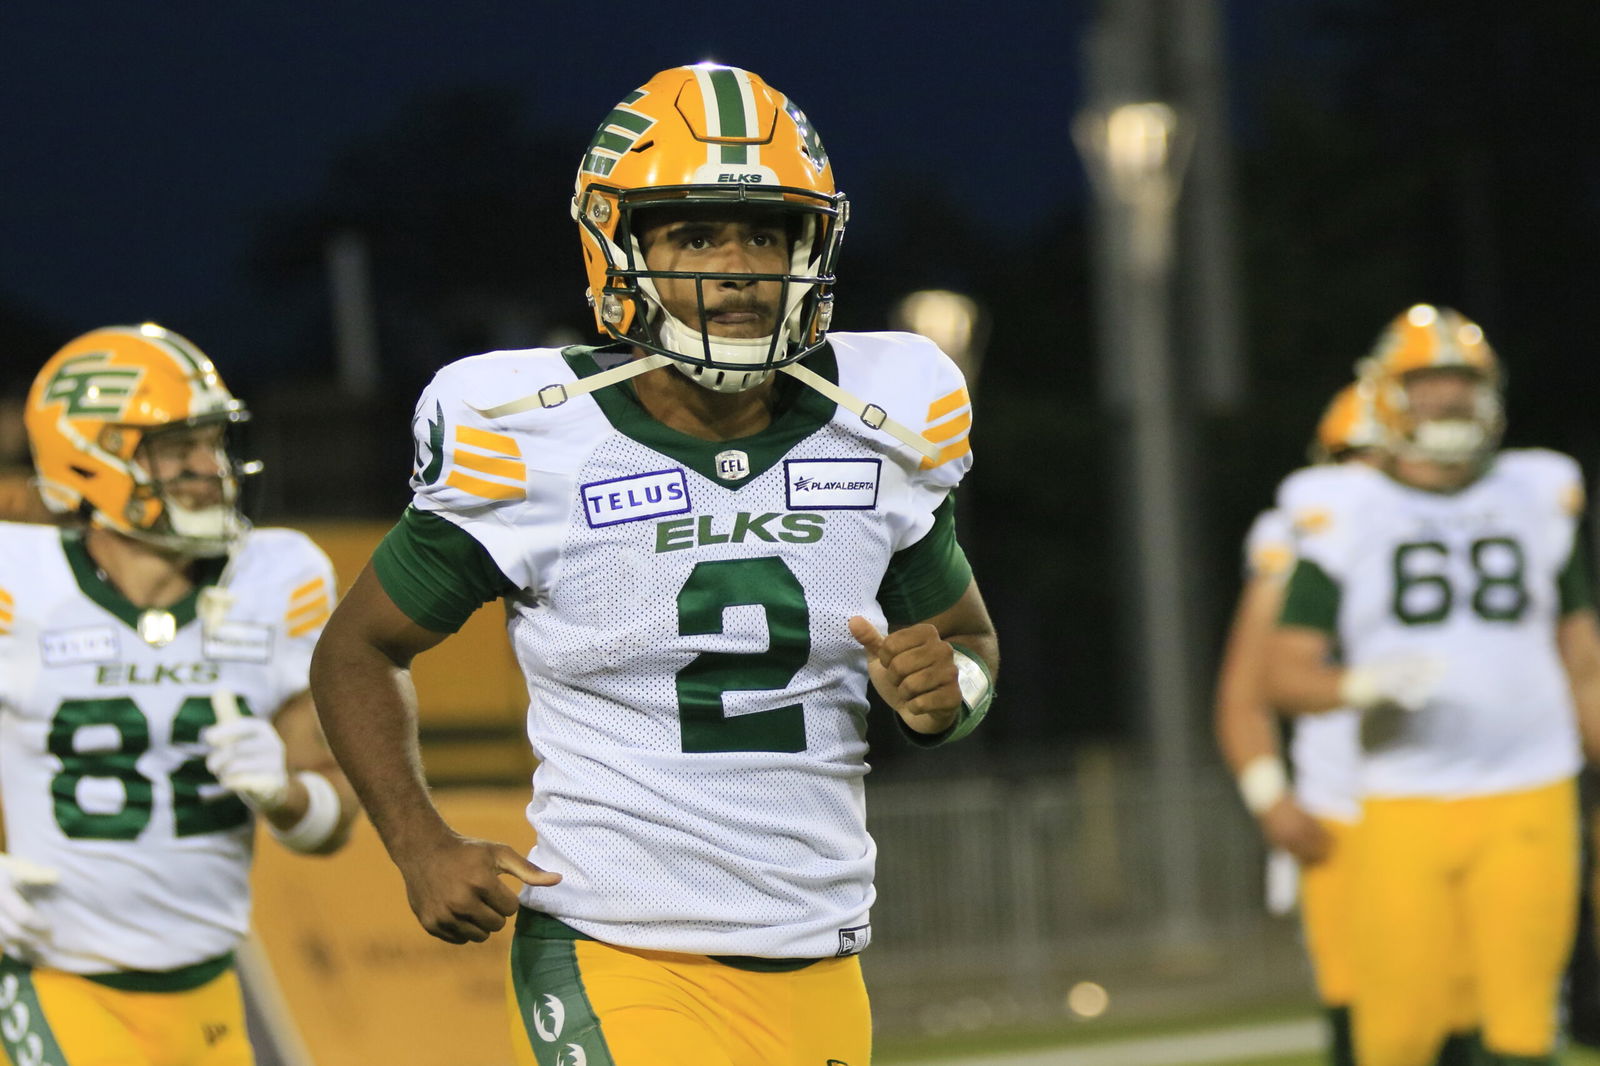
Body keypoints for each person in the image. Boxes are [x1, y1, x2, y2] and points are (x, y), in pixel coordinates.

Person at [310, 62, 997, 1066]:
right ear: (618, 245)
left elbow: (967, 645)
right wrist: (419, 843)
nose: (738, 267)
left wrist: (945, 696)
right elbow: (357, 649)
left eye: (767, 233)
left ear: (812, 246)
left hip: (818, 952)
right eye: (696, 235)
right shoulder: (532, 434)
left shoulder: (879, 421)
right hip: (615, 948)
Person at [0, 324, 360, 1064]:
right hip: (50, 979)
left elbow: (333, 819)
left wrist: (284, 796)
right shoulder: (18, 580)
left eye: (212, 442)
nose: (209, 468)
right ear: (88, 458)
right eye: (175, 449)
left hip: (207, 990)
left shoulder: (279, 578)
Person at [1265, 305, 1600, 1066]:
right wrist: (1358, 686)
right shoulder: (1344, 505)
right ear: (1387, 393)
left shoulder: (1539, 490)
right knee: (1398, 1033)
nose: (1447, 397)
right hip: (1403, 794)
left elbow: (1583, 659)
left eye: (1461, 381)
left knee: (1522, 1027)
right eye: (1426, 381)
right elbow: (1283, 672)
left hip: (1531, 787)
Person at [1215, 380, 1479, 1066]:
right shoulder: (1302, 536)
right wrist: (1271, 798)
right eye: (1347, 458)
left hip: (1456, 797)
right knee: (1364, 1023)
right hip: (1344, 814)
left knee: (1469, 1012)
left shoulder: (1465, 524)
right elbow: (1244, 693)